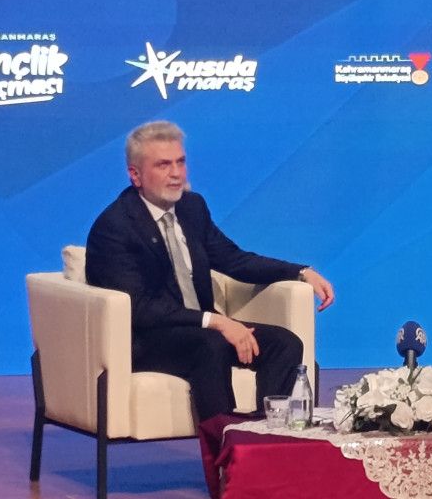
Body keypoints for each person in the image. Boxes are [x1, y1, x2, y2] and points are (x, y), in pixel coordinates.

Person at [86, 120, 335, 424]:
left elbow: (233, 260)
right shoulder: (115, 227)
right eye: (163, 165)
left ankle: (267, 436)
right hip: (147, 341)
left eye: (180, 162)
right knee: (211, 343)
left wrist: (299, 272)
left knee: (284, 343)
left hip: (199, 331)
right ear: (135, 175)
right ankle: (224, 443)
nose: (176, 174)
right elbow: (140, 308)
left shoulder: (192, 207)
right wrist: (216, 321)